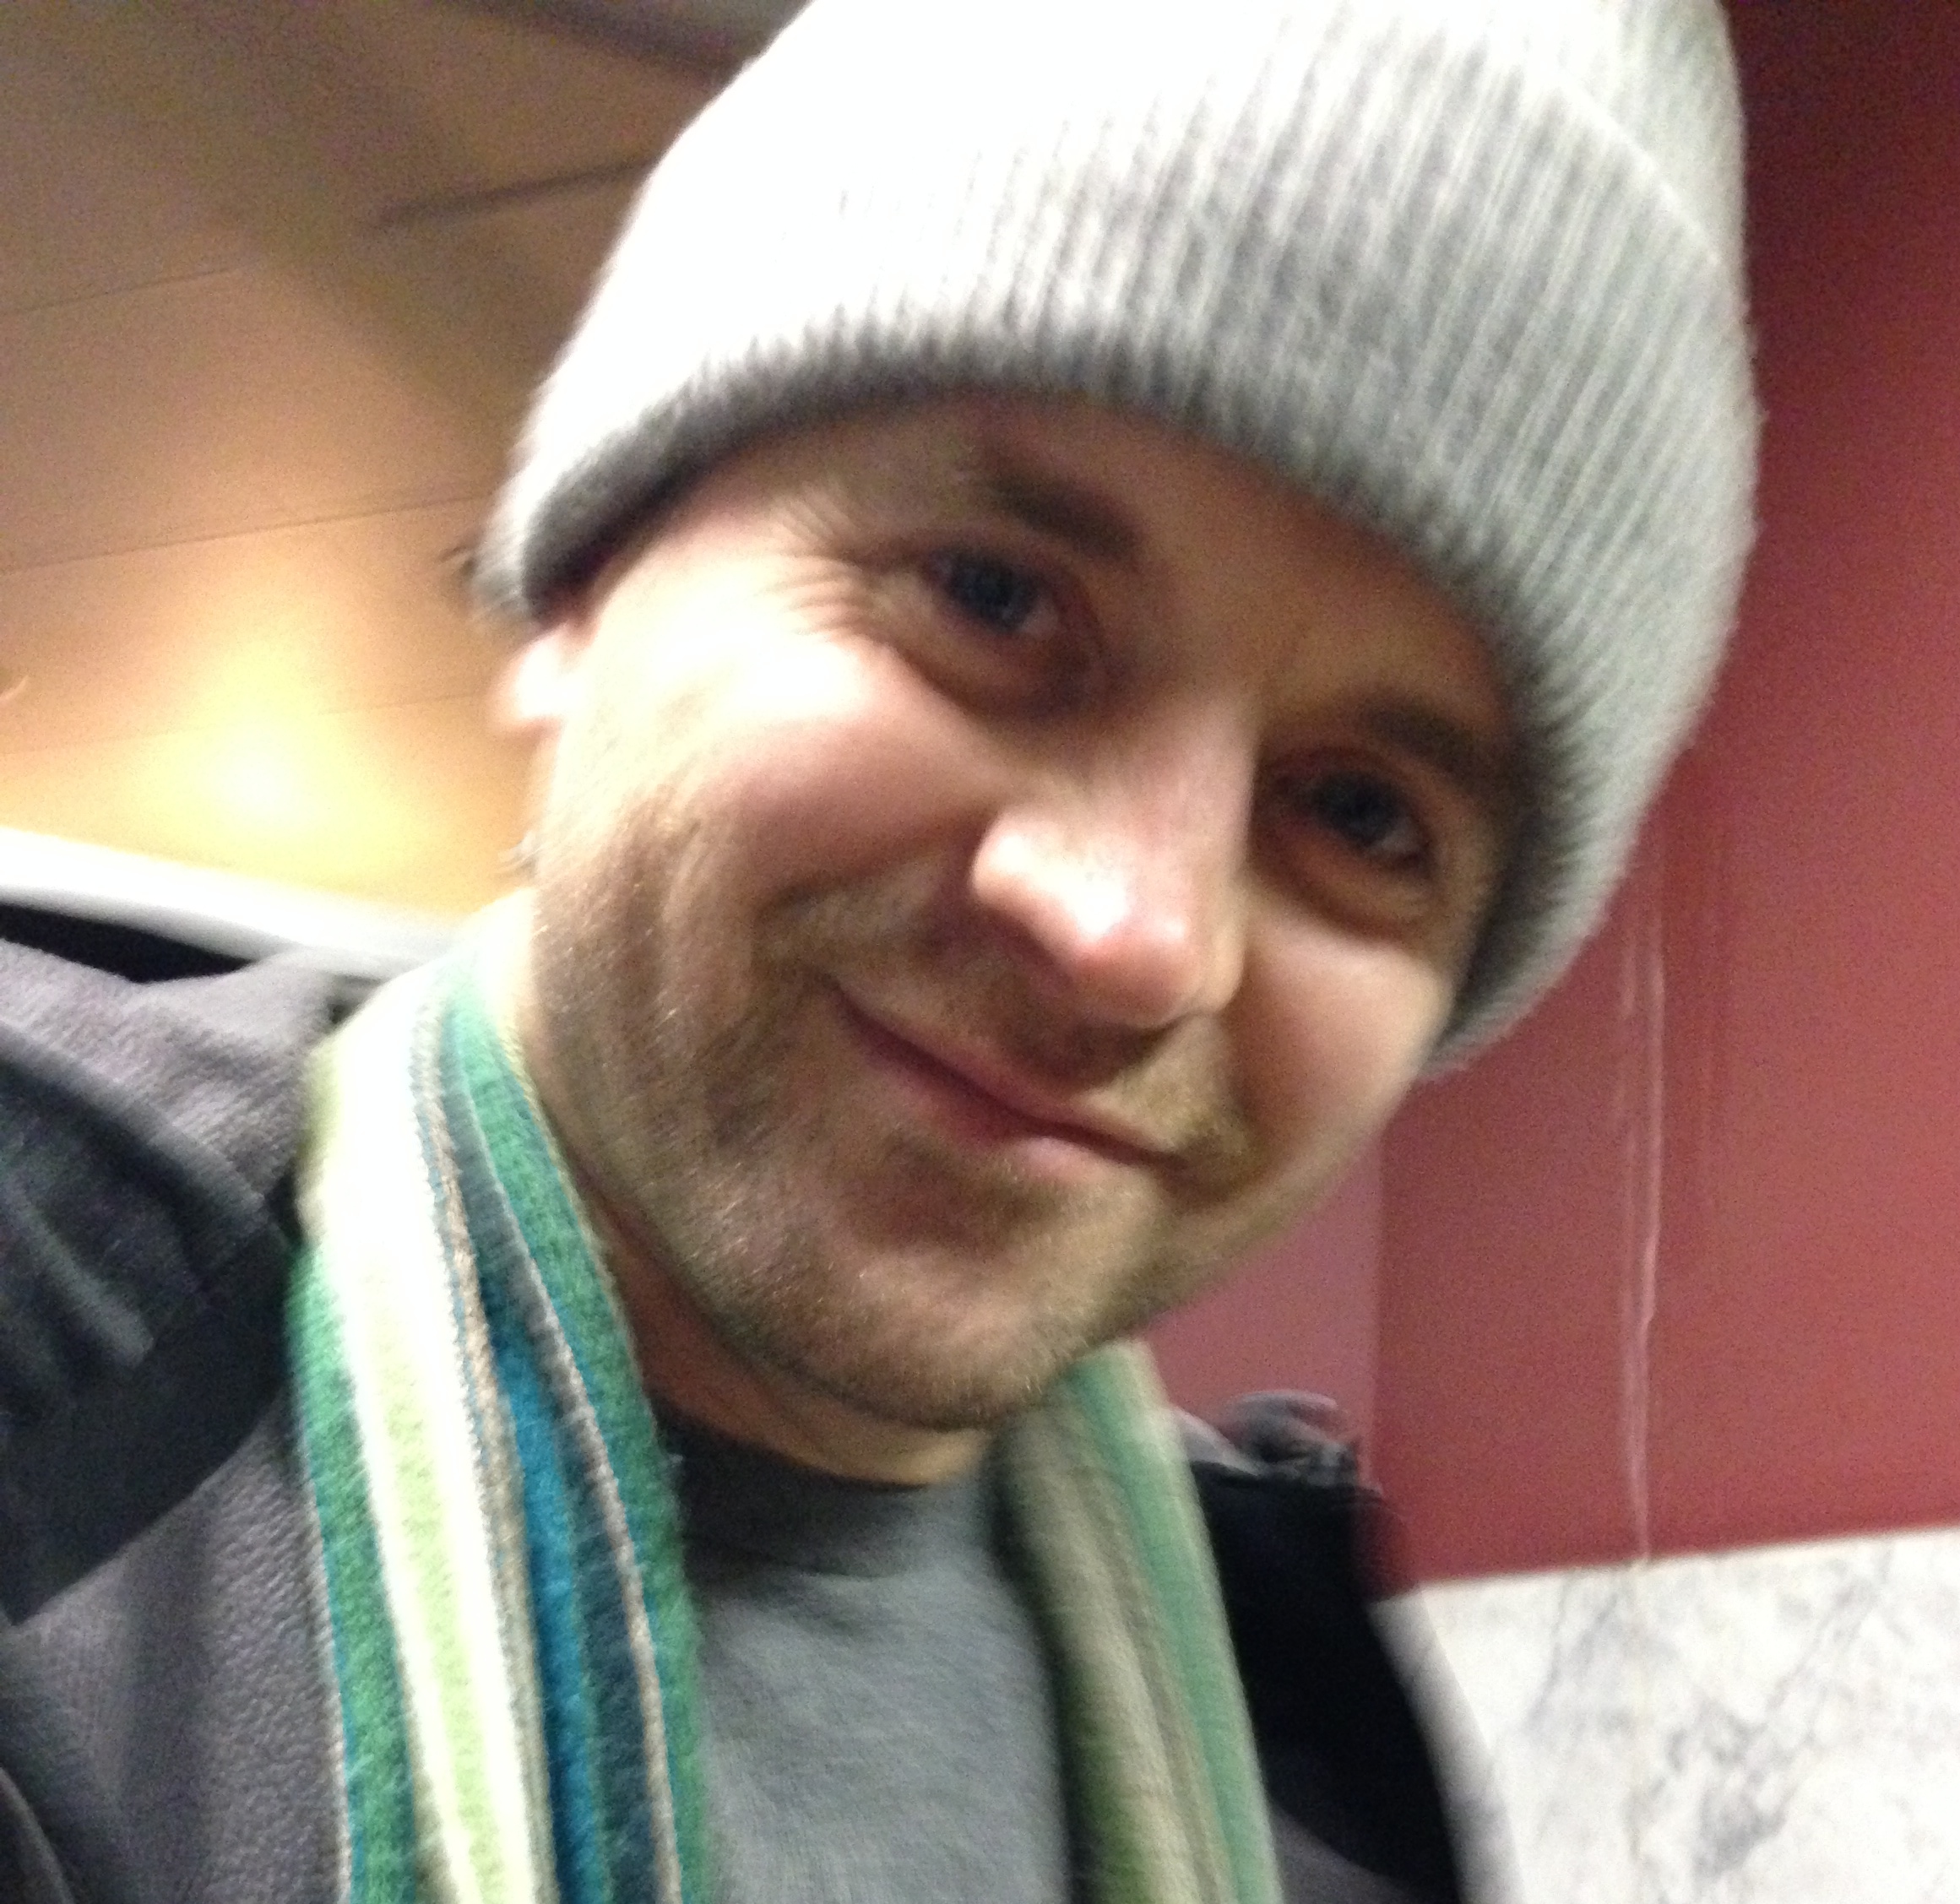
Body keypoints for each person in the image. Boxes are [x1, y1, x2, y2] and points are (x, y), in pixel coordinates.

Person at [0, 1, 1756, 1899]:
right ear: (585, 575)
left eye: (1359, 815)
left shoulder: (1305, 1740)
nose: (1131, 936)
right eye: (993, 598)